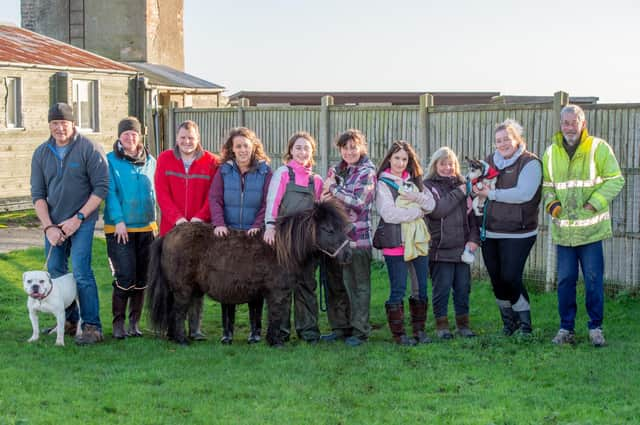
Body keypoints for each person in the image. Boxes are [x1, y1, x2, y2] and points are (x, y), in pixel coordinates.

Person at [543, 104, 624, 347]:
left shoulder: (598, 147)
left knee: (592, 280)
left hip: (591, 231)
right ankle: (566, 328)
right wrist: (552, 205)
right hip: (564, 233)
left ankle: (595, 328)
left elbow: (616, 179)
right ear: (560, 125)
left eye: (573, 122)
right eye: (564, 123)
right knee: (566, 280)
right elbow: (547, 186)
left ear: (583, 123)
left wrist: (594, 203)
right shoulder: (551, 152)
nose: (568, 127)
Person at [30, 102, 109, 345]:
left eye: (63, 123)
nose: (59, 128)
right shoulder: (41, 152)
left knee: (81, 271)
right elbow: (38, 195)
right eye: (54, 123)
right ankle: (69, 320)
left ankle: (92, 326)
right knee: (54, 269)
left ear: (72, 123)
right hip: (53, 223)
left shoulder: (89, 148)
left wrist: (79, 218)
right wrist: (48, 227)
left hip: (82, 221)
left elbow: (101, 188)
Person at [472, 119, 542, 336]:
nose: (502, 144)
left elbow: (524, 194)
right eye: (498, 141)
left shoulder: (530, 163)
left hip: (519, 232)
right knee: (496, 279)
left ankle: (525, 324)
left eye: (507, 139)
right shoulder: (489, 161)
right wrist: (475, 186)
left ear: (517, 140)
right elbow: (474, 183)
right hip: (490, 230)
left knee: (511, 277)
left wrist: (490, 194)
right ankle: (508, 324)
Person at [155, 120, 219, 340]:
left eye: (191, 138)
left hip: (200, 232)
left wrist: (198, 219)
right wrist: (178, 220)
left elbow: (214, 195)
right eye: (182, 137)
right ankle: (170, 326)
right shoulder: (165, 159)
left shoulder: (212, 162)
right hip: (172, 231)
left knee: (197, 278)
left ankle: (196, 328)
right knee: (173, 280)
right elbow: (161, 193)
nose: (187, 142)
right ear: (177, 138)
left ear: (198, 138)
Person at [209, 127, 272, 344]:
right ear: (232, 149)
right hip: (229, 236)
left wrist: (258, 224)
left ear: (253, 146)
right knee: (228, 283)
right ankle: (227, 331)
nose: (243, 150)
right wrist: (218, 224)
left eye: (246, 145)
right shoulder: (224, 171)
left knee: (255, 284)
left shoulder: (265, 171)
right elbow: (215, 199)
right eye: (238, 146)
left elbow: (268, 202)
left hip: (254, 237)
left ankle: (255, 331)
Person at [264, 131, 324, 343]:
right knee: (281, 287)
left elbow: (319, 212)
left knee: (307, 286)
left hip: (307, 246)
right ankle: (279, 332)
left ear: (312, 152)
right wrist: (269, 227)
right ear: (290, 150)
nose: (302, 152)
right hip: (283, 242)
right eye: (298, 147)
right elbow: (273, 201)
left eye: (306, 148)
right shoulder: (283, 173)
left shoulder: (316, 180)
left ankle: (309, 332)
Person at [375, 140, 435, 345]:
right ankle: (399, 335)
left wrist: (416, 197)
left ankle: (419, 331)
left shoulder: (415, 182)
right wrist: (416, 212)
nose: (400, 163)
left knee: (420, 289)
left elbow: (431, 204)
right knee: (398, 289)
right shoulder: (383, 183)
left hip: (417, 243)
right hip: (395, 243)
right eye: (397, 158)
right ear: (389, 159)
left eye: (404, 159)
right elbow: (389, 214)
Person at [321, 129, 376, 347]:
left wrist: (334, 189)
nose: (349, 151)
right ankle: (340, 327)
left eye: (354, 147)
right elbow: (324, 199)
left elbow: (359, 203)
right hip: (335, 241)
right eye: (345, 147)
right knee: (337, 285)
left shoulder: (367, 172)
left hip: (357, 239)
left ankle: (360, 330)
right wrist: (331, 194)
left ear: (361, 147)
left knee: (358, 286)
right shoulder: (337, 170)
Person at [104, 117, 157, 339]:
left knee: (143, 277)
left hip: (147, 228)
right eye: (125, 134)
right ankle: (119, 324)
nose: (130, 137)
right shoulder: (109, 161)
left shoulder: (151, 161)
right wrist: (119, 221)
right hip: (120, 229)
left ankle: (135, 323)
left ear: (140, 136)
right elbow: (109, 193)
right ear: (119, 136)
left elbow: (156, 192)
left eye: (134, 133)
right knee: (125, 276)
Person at [424, 147, 480, 339]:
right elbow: (438, 210)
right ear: (435, 165)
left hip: (463, 249)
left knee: (463, 288)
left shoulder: (464, 185)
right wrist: (460, 192)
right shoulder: (428, 186)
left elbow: (474, 219)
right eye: (443, 164)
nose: (448, 168)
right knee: (442, 289)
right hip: (440, 249)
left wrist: (473, 241)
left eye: (451, 164)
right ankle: (442, 327)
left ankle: (463, 325)